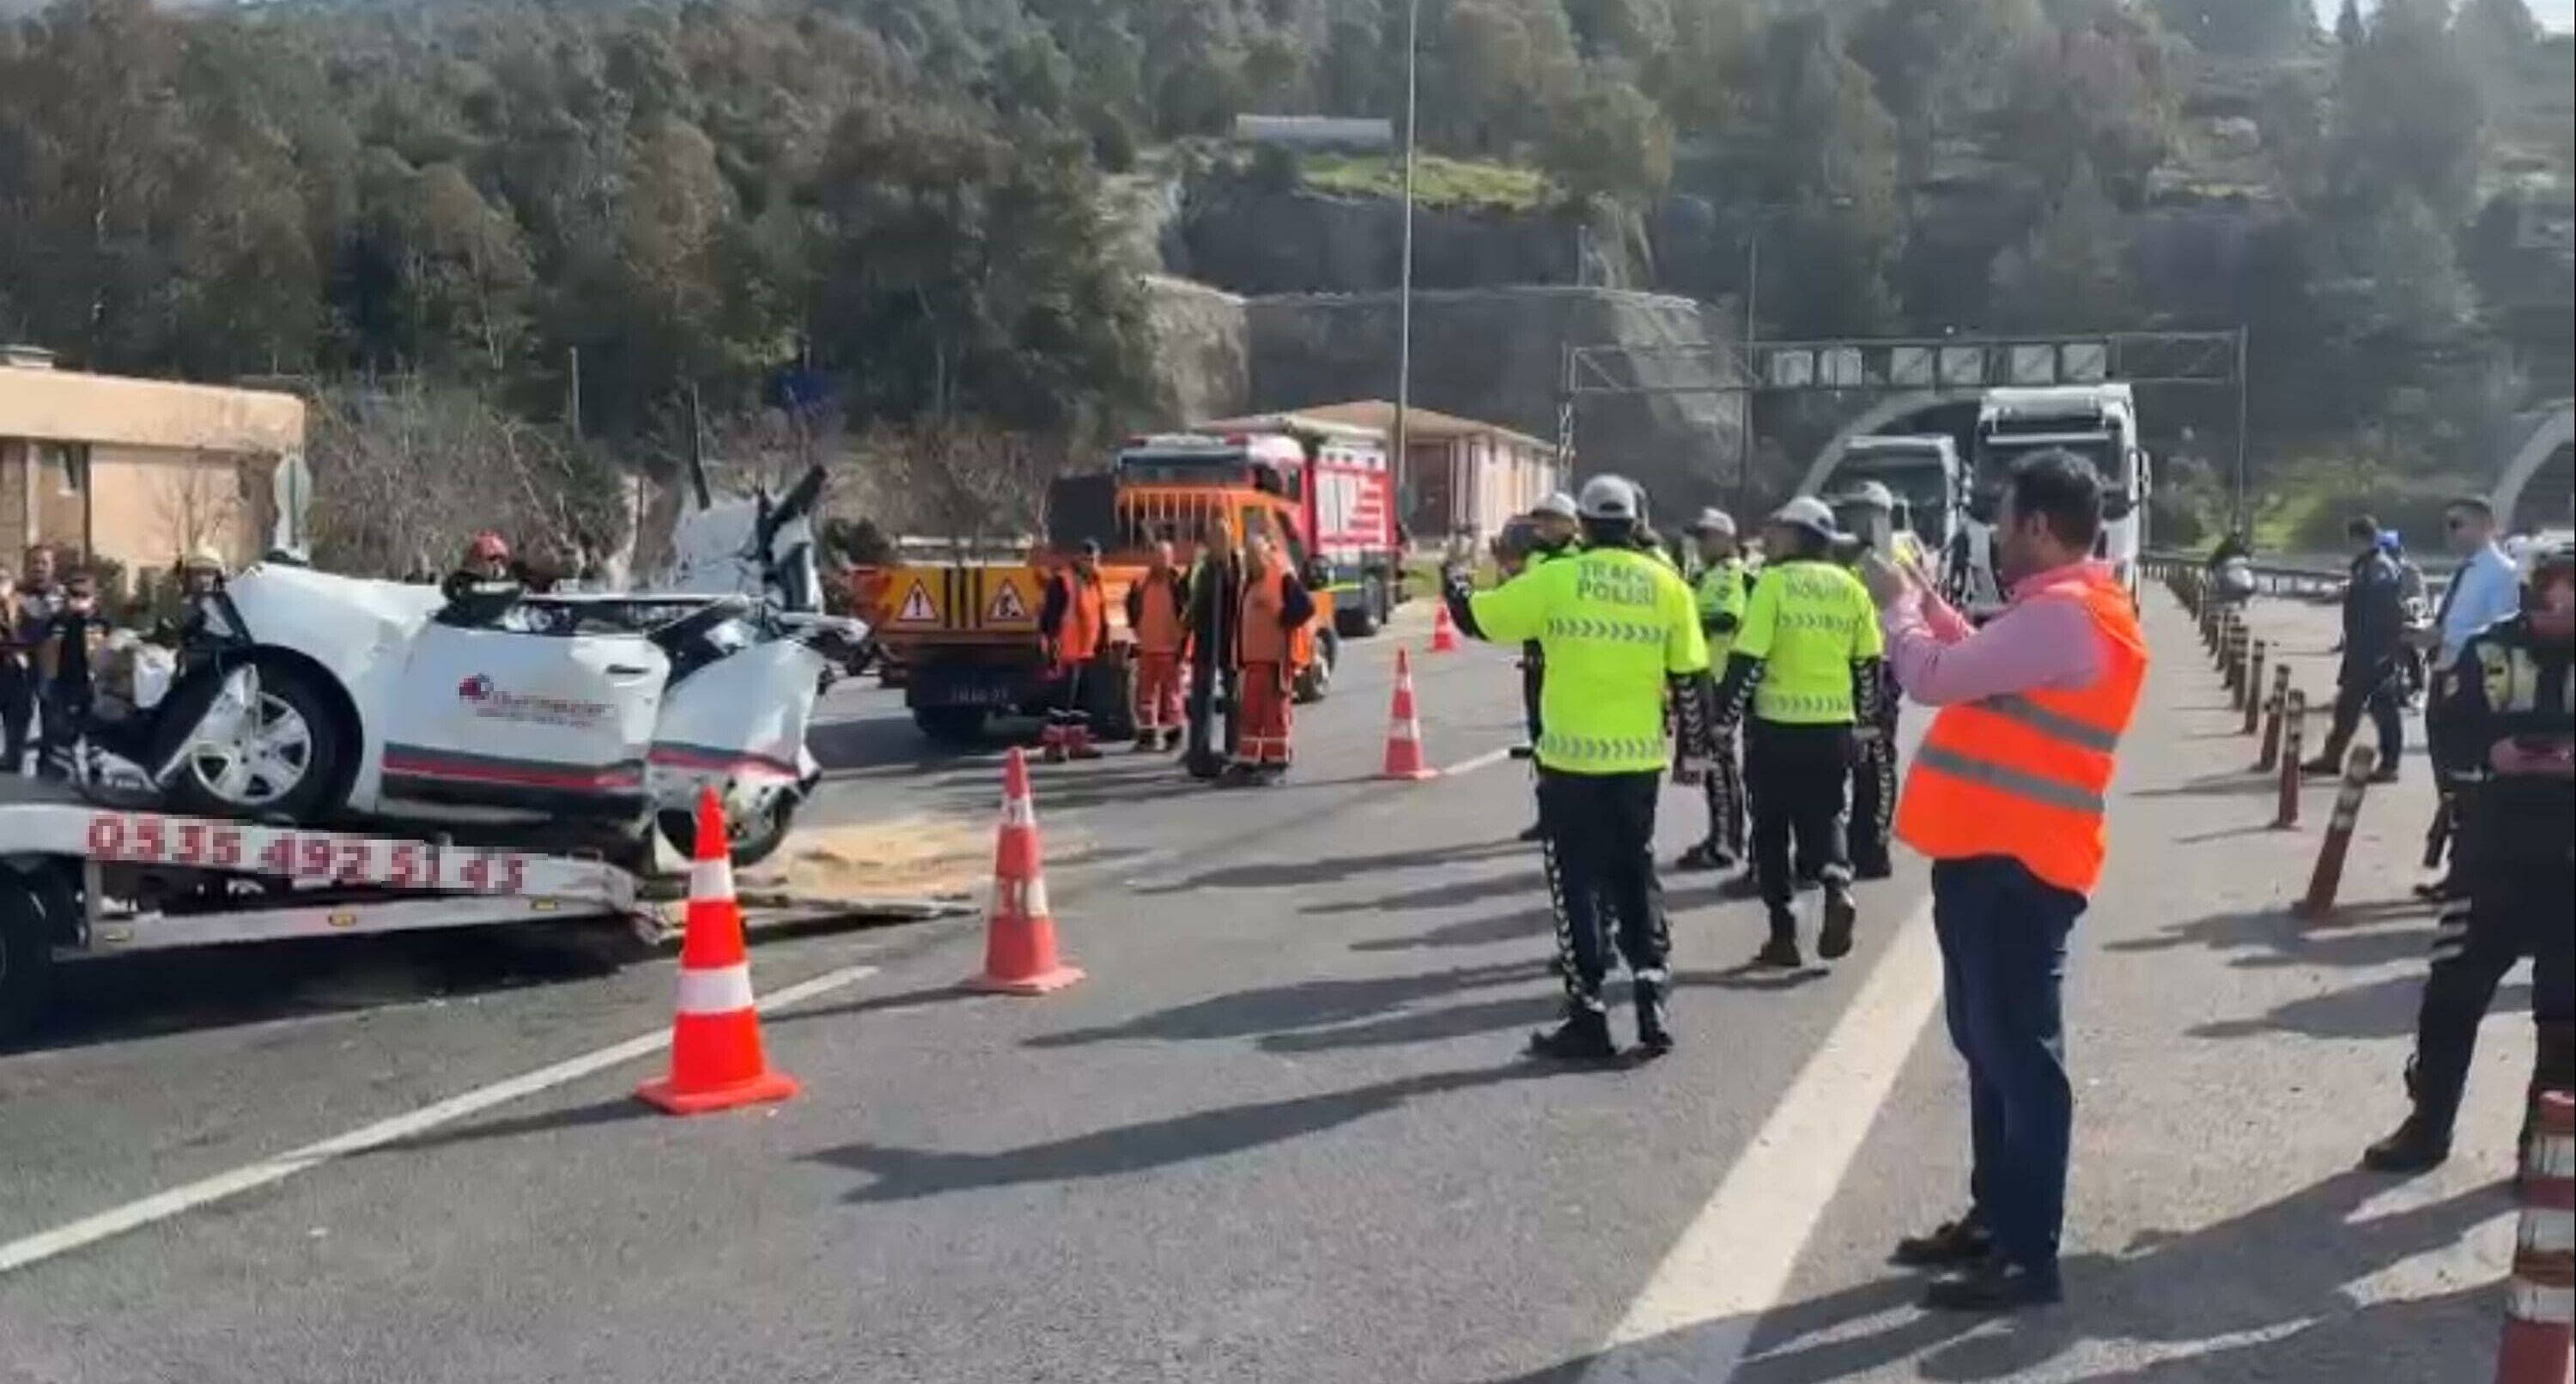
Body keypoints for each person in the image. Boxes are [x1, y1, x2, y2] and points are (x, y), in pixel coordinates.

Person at [1862, 449, 2148, 1313]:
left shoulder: (2066, 614)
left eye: (2002, 518)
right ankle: (1995, 1223)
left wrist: (1898, 610)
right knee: (1991, 1049)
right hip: (1999, 857)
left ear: (2036, 526)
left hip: (2018, 866)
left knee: (2020, 1058)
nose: (1993, 534)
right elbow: (1988, 664)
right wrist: (1937, 605)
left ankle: (2028, 1254)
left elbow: (1936, 679)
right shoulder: (2063, 613)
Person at [1448, 475, 1710, 1062]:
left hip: (1570, 760)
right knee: (1635, 874)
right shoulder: (1667, 585)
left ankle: (1588, 1011)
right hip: (1637, 759)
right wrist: (1695, 753)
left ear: (1585, 526)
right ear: (1635, 523)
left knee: (1576, 882)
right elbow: (1691, 678)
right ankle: (1652, 998)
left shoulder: (1556, 579)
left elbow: (1476, 619)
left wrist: (1456, 574)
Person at [2363, 538, 2573, 1175]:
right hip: (2488, 859)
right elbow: (2448, 733)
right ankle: (2428, 1125)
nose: (2560, 607)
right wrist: (2492, 758)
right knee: (2450, 998)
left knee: (2564, 1016)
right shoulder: (2486, 651)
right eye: (2549, 595)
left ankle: (2546, 1149)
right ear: (2528, 594)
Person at [1710, 496, 1882, 968]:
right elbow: (1867, 665)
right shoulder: (1851, 588)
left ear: (1800, 535)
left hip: (1777, 730)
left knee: (1770, 829)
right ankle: (1837, 886)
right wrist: (1867, 722)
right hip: (1833, 728)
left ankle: (1783, 933)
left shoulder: (1774, 583)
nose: (1772, 535)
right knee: (1828, 816)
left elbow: (1750, 658)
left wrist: (1723, 720)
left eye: (1781, 529)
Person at [2416, 496, 2527, 898]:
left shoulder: (2501, 574)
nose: (2450, 533)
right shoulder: (2466, 572)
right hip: (2443, 677)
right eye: (2447, 524)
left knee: (2467, 781)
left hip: (2469, 689)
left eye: (2457, 524)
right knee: (2448, 780)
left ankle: (2469, 878)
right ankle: (2459, 872)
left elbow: (2500, 636)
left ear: (2487, 526)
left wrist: (2443, 638)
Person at [1832, 483, 1907, 880]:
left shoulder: (1897, 555)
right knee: (1845, 759)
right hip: (1843, 668)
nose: (1857, 520)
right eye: (1852, 512)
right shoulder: (1844, 558)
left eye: (1866, 512)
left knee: (1876, 760)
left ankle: (1873, 845)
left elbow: (1894, 593)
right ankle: (1844, 842)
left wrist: (1868, 555)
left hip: (1883, 666)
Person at [2307, 515, 2405, 783]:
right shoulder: (2367, 566)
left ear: (2360, 539)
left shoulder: (2379, 567)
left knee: (2382, 708)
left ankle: (2389, 764)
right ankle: (2333, 757)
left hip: (2375, 649)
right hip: (2361, 647)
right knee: (2349, 705)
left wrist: (2384, 649)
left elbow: (2388, 611)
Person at [1678, 507, 1748, 873]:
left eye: (1707, 537)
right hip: (1706, 675)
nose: (1700, 544)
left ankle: (1726, 841)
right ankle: (1719, 835)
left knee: (1720, 765)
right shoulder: (1707, 574)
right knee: (1713, 765)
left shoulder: (1728, 574)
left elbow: (1727, 617)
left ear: (1725, 538)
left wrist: (1685, 622)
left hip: (1719, 677)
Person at [1510, 493, 1583, 841]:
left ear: (1572, 523)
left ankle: (1577, 814)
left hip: (1570, 664)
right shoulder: (1536, 558)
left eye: (1553, 519)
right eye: (1542, 520)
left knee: (1570, 740)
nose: (1546, 526)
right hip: (1536, 663)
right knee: (1541, 740)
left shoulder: (1582, 558)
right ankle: (1548, 814)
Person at [1228, 533, 1315, 784]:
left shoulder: (1280, 577)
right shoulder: (1249, 582)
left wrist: (1283, 621)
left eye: (1255, 555)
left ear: (1265, 554)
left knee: (1274, 714)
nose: (1250, 560)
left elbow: (1305, 607)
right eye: (1248, 555)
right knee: (1251, 715)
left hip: (1275, 660)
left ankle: (1277, 762)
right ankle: (1250, 762)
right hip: (1252, 660)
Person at [1038, 539, 1110, 763]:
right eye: (1087, 558)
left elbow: (1099, 614)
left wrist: (1102, 642)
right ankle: (1053, 745)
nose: (1091, 563)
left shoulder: (1095, 582)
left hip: (1086, 651)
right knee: (1063, 701)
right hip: (1066, 651)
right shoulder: (1063, 581)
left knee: (1082, 702)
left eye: (1095, 559)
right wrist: (1052, 649)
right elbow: (1050, 619)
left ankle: (1078, 742)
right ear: (1078, 558)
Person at [1183, 522, 1244, 780]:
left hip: (1232, 641)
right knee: (1202, 697)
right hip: (1207, 639)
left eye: (1223, 537)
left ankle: (1234, 748)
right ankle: (1199, 749)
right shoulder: (1203, 568)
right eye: (1214, 538)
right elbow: (1189, 597)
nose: (1219, 543)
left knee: (1234, 696)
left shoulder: (1238, 565)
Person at [1125, 540, 1191, 753]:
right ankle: (1148, 735)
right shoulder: (1142, 582)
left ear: (1171, 559)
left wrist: (1183, 641)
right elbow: (1132, 605)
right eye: (1157, 556)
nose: (1160, 561)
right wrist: (1136, 628)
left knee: (1173, 696)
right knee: (1146, 696)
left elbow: (1187, 613)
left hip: (1170, 649)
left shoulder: (1177, 583)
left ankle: (1174, 736)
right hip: (1148, 648)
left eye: (1164, 557)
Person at [2382, 531, 2430, 705]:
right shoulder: (2376, 570)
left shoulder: (2411, 571)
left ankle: (2417, 686)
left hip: (2410, 618)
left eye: (2391, 551)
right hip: (2384, 621)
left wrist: (2411, 603)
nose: (2388, 555)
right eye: (2384, 551)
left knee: (2411, 646)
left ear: (2399, 550)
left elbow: (2419, 595)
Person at [1, 567, 27, 776]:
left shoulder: (22, 605)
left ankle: (13, 760)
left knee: (17, 719)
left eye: (3, 579)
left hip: (17, 671)